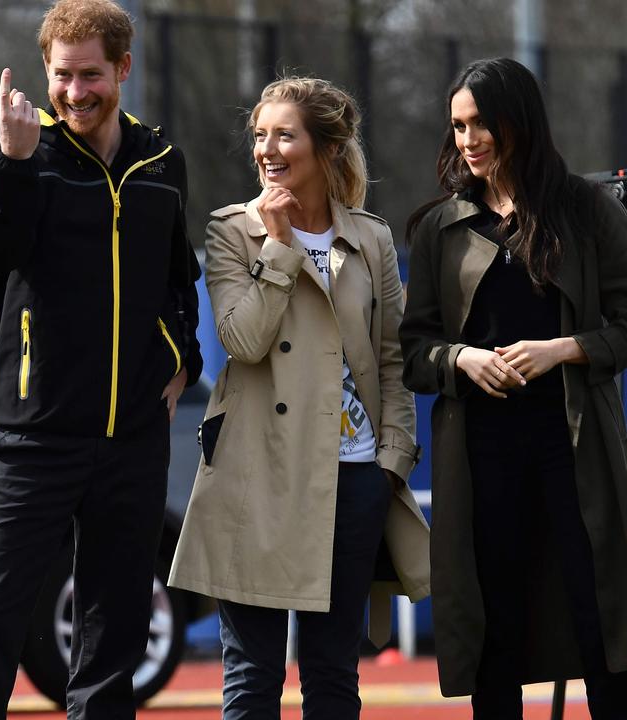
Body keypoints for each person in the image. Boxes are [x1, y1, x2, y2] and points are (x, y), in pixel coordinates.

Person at [0, 0, 203, 717]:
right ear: (45, 74)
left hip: (133, 440)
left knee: (112, 634)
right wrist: (17, 163)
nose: (76, 91)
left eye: (92, 74)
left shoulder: (161, 161)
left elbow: (180, 277)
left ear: (123, 69)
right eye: (62, 76)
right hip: (34, 437)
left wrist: (182, 356)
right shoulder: (14, 152)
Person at [398, 57, 627, 719]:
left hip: (574, 449)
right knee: (495, 626)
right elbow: (412, 352)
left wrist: (561, 351)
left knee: (595, 611)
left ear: (520, 120)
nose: (468, 139)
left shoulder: (588, 211)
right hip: (481, 452)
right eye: (458, 126)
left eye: (482, 122)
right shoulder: (440, 227)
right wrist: (461, 359)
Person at [168, 77, 429, 720]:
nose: (267, 149)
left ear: (328, 148)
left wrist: (390, 460)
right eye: (260, 135)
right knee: (253, 677)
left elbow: (393, 359)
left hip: (352, 479)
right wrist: (281, 248)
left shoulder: (371, 239)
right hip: (255, 478)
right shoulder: (233, 231)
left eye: (285, 134)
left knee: (333, 673)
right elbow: (243, 340)